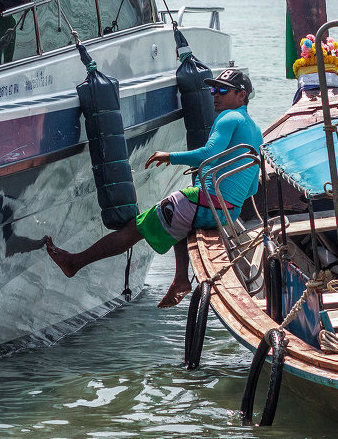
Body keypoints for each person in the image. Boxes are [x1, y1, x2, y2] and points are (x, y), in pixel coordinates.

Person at [42, 68, 263, 307]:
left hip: (209, 205)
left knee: (134, 229)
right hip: (228, 212)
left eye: (223, 90)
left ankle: (75, 263)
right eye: (212, 89)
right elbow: (252, 188)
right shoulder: (255, 130)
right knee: (180, 210)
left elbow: (209, 153)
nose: (215, 95)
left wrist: (170, 156)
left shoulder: (229, 118)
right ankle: (180, 279)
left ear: (242, 96)